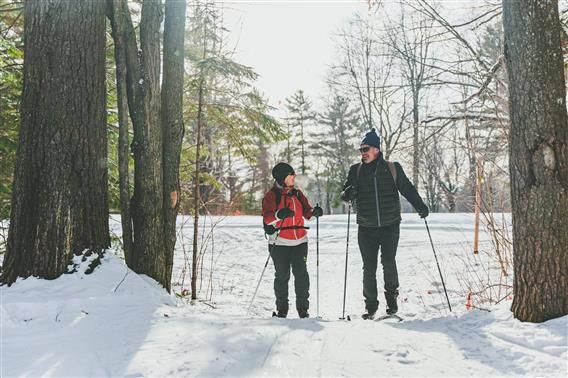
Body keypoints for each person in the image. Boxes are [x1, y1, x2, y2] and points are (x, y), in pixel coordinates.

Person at [341, 128, 429, 319]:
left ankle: (392, 301)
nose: (362, 153)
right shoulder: (355, 171)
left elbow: (407, 189)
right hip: (366, 226)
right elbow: (345, 194)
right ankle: (370, 306)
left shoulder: (392, 168)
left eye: (366, 149)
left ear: (376, 150)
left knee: (388, 262)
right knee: (369, 266)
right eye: (361, 150)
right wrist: (347, 194)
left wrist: (420, 206)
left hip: (390, 224)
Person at [262, 162, 323, 318]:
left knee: (301, 274)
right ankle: (282, 310)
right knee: (282, 276)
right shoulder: (271, 196)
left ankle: (303, 310)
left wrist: (314, 212)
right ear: (283, 178)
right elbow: (267, 219)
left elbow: (307, 212)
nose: (294, 177)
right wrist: (279, 215)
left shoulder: (297, 193)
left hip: (300, 241)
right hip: (280, 242)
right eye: (291, 175)